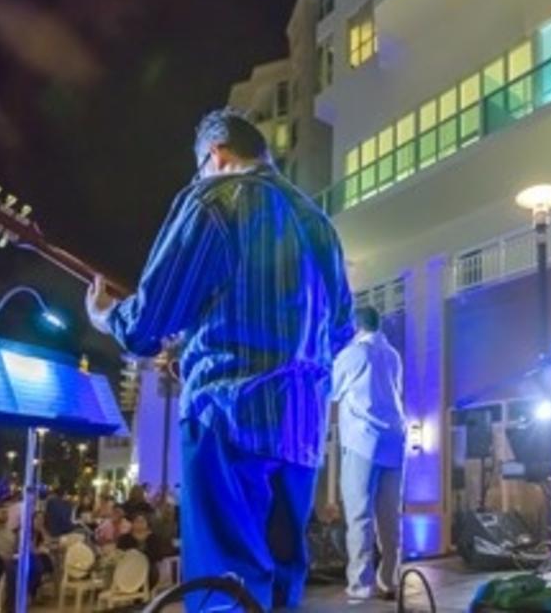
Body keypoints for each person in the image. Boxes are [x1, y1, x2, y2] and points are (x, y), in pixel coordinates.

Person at [85, 108, 353, 610]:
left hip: (227, 420)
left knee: (225, 586)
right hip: (302, 432)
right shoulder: (319, 224)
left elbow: (148, 321)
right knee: (278, 587)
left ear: (216, 154)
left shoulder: (214, 198)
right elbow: (340, 330)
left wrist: (106, 315)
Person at [333, 306, 406, 601]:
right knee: (389, 516)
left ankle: (361, 585)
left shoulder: (354, 354)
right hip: (394, 440)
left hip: (363, 440)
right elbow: (396, 392)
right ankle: (389, 580)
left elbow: (331, 389)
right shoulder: (393, 356)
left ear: (356, 326)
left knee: (360, 515)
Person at [115, 514, 169, 588]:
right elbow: (119, 553)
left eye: (142, 522)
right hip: (129, 568)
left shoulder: (153, 538)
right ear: (132, 523)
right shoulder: (124, 538)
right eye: (137, 522)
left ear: (147, 523)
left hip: (149, 568)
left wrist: (142, 556)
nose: (139, 524)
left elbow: (159, 555)